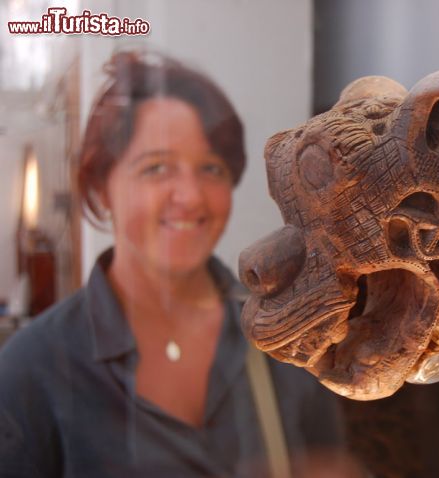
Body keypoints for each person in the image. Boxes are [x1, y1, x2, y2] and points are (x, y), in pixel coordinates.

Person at [0, 51, 351, 477]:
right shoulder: (32, 369)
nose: (190, 196)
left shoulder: (286, 338)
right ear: (101, 187)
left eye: (210, 168)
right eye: (157, 168)